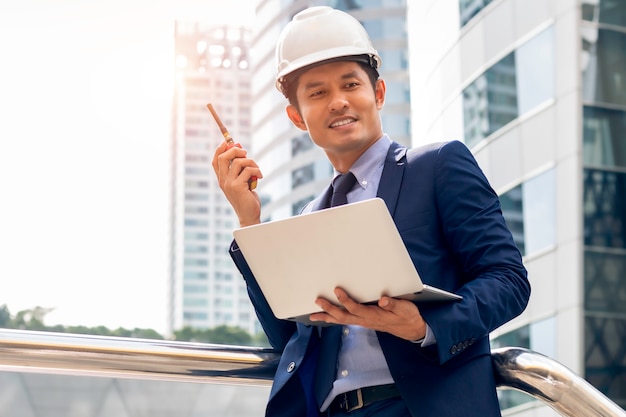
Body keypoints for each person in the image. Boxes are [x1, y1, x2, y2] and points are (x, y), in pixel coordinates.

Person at [212, 6, 531, 417]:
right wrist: (249, 223)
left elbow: (508, 280)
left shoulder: (438, 167)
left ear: (378, 93)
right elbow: (292, 338)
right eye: (318, 93)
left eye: (351, 84)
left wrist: (425, 326)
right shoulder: (308, 219)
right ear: (296, 117)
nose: (338, 102)